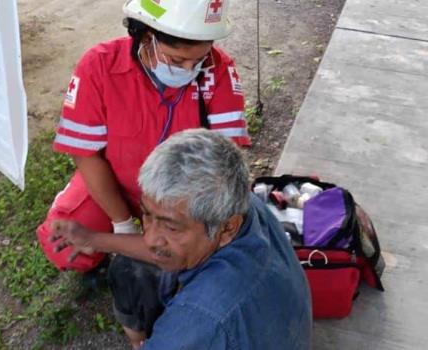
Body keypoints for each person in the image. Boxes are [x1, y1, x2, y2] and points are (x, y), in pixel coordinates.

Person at [36, 0, 251, 273]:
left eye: (197, 61)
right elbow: (86, 154)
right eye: (177, 60)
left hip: (182, 199)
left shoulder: (218, 72)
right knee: (63, 242)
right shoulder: (100, 66)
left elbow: (225, 167)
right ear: (146, 35)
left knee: (204, 247)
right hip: (117, 184)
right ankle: (109, 257)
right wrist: (121, 223)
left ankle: (156, 251)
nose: (188, 71)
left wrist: (178, 223)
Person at [50, 129, 312, 349]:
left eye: (171, 228)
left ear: (227, 228)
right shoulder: (243, 205)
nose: (151, 238)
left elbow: (200, 322)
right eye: (147, 214)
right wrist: (93, 239)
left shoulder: (200, 318)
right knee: (128, 268)